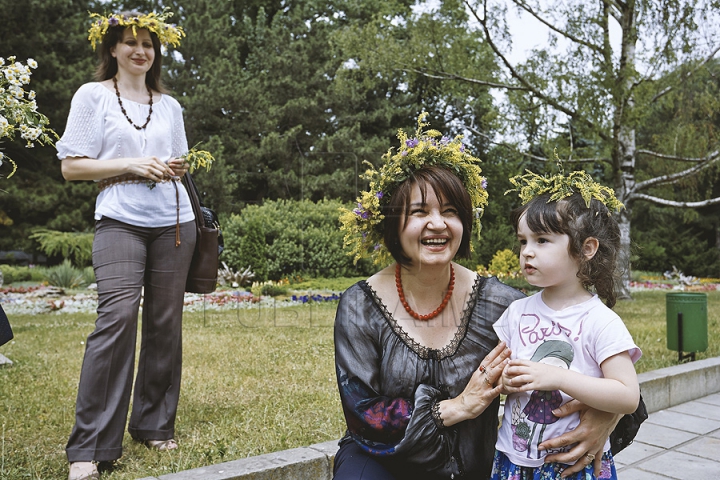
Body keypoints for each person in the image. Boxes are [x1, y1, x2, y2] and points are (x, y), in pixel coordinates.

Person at [334, 116, 622, 479]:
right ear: (393, 224)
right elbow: (364, 412)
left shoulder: (504, 305)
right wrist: (454, 408)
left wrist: (605, 417)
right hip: (382, 461)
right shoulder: (360, 306)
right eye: (420, 212)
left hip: (474, 462)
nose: (437, 224)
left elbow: (608, 374)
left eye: (450, 212)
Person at [56, 10, 194, 480]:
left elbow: (180, 162)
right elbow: (72, 167)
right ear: (112, 48)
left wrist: (173, 168)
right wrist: (134, 164)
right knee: (115, 319)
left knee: (164, 323)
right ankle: (89, 447)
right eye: (130, 42)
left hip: (175, 222)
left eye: (148, 45)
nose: (140, 51)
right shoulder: (93, 96)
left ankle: (154, 425)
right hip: (120, 220)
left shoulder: (169, 105)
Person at [491, 168, 642, 479]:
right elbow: (496, 374)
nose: (526, 252)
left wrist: (557, 377)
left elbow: (627, 396)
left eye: (542, 240)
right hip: (515, 459)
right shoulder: (517, 312)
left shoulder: (600, 321)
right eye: (523, 241)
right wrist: (504, 381)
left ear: (586, 249)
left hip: (572, 464)